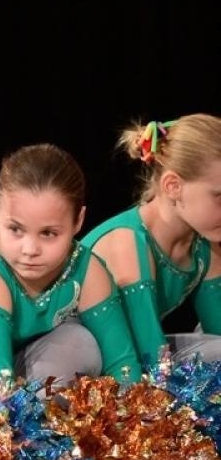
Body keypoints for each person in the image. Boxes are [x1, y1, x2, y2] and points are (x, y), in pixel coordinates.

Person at [0, 143, 138, 389]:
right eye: (16, 229)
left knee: (79, 343)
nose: (30, 249)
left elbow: (123, 364)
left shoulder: (84, 267)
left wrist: (134, 419)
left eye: (48, 233)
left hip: (7, 368)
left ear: (78, 221)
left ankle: (36, 416)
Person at [83, 115, 221, 367]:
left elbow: (217, 331)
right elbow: (151, 358)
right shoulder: (128, 243)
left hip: (137, 356)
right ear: (173, 186)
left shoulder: (203, 245)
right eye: (219, 196)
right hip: (75, 363)